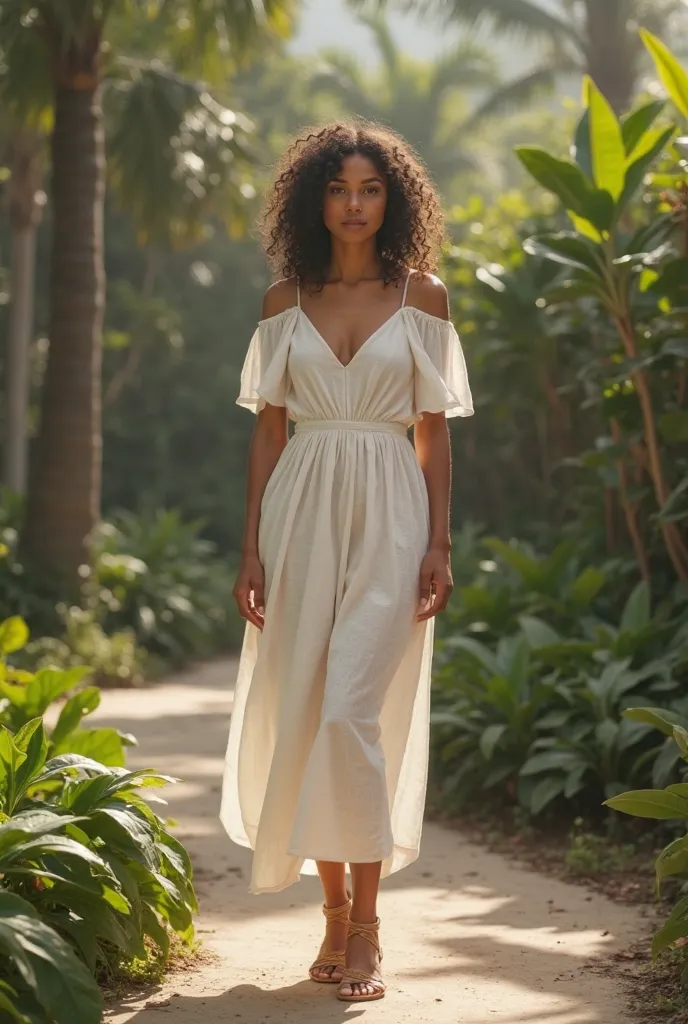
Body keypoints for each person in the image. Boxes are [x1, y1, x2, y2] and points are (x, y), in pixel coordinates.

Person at [220, 120, 473, 1003]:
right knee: (305, 708)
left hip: (393, 519)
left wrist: (439, 541)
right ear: (313, 199)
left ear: (392, 199)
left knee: (350, 711)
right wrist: (250, 544)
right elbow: (268, 431)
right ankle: (332, 913)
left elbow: (434, 437)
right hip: (299, 515)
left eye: (370, 189)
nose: (355, 204)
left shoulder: (426, 300)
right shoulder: (282, 302)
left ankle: (367, 927)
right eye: (339, 189)